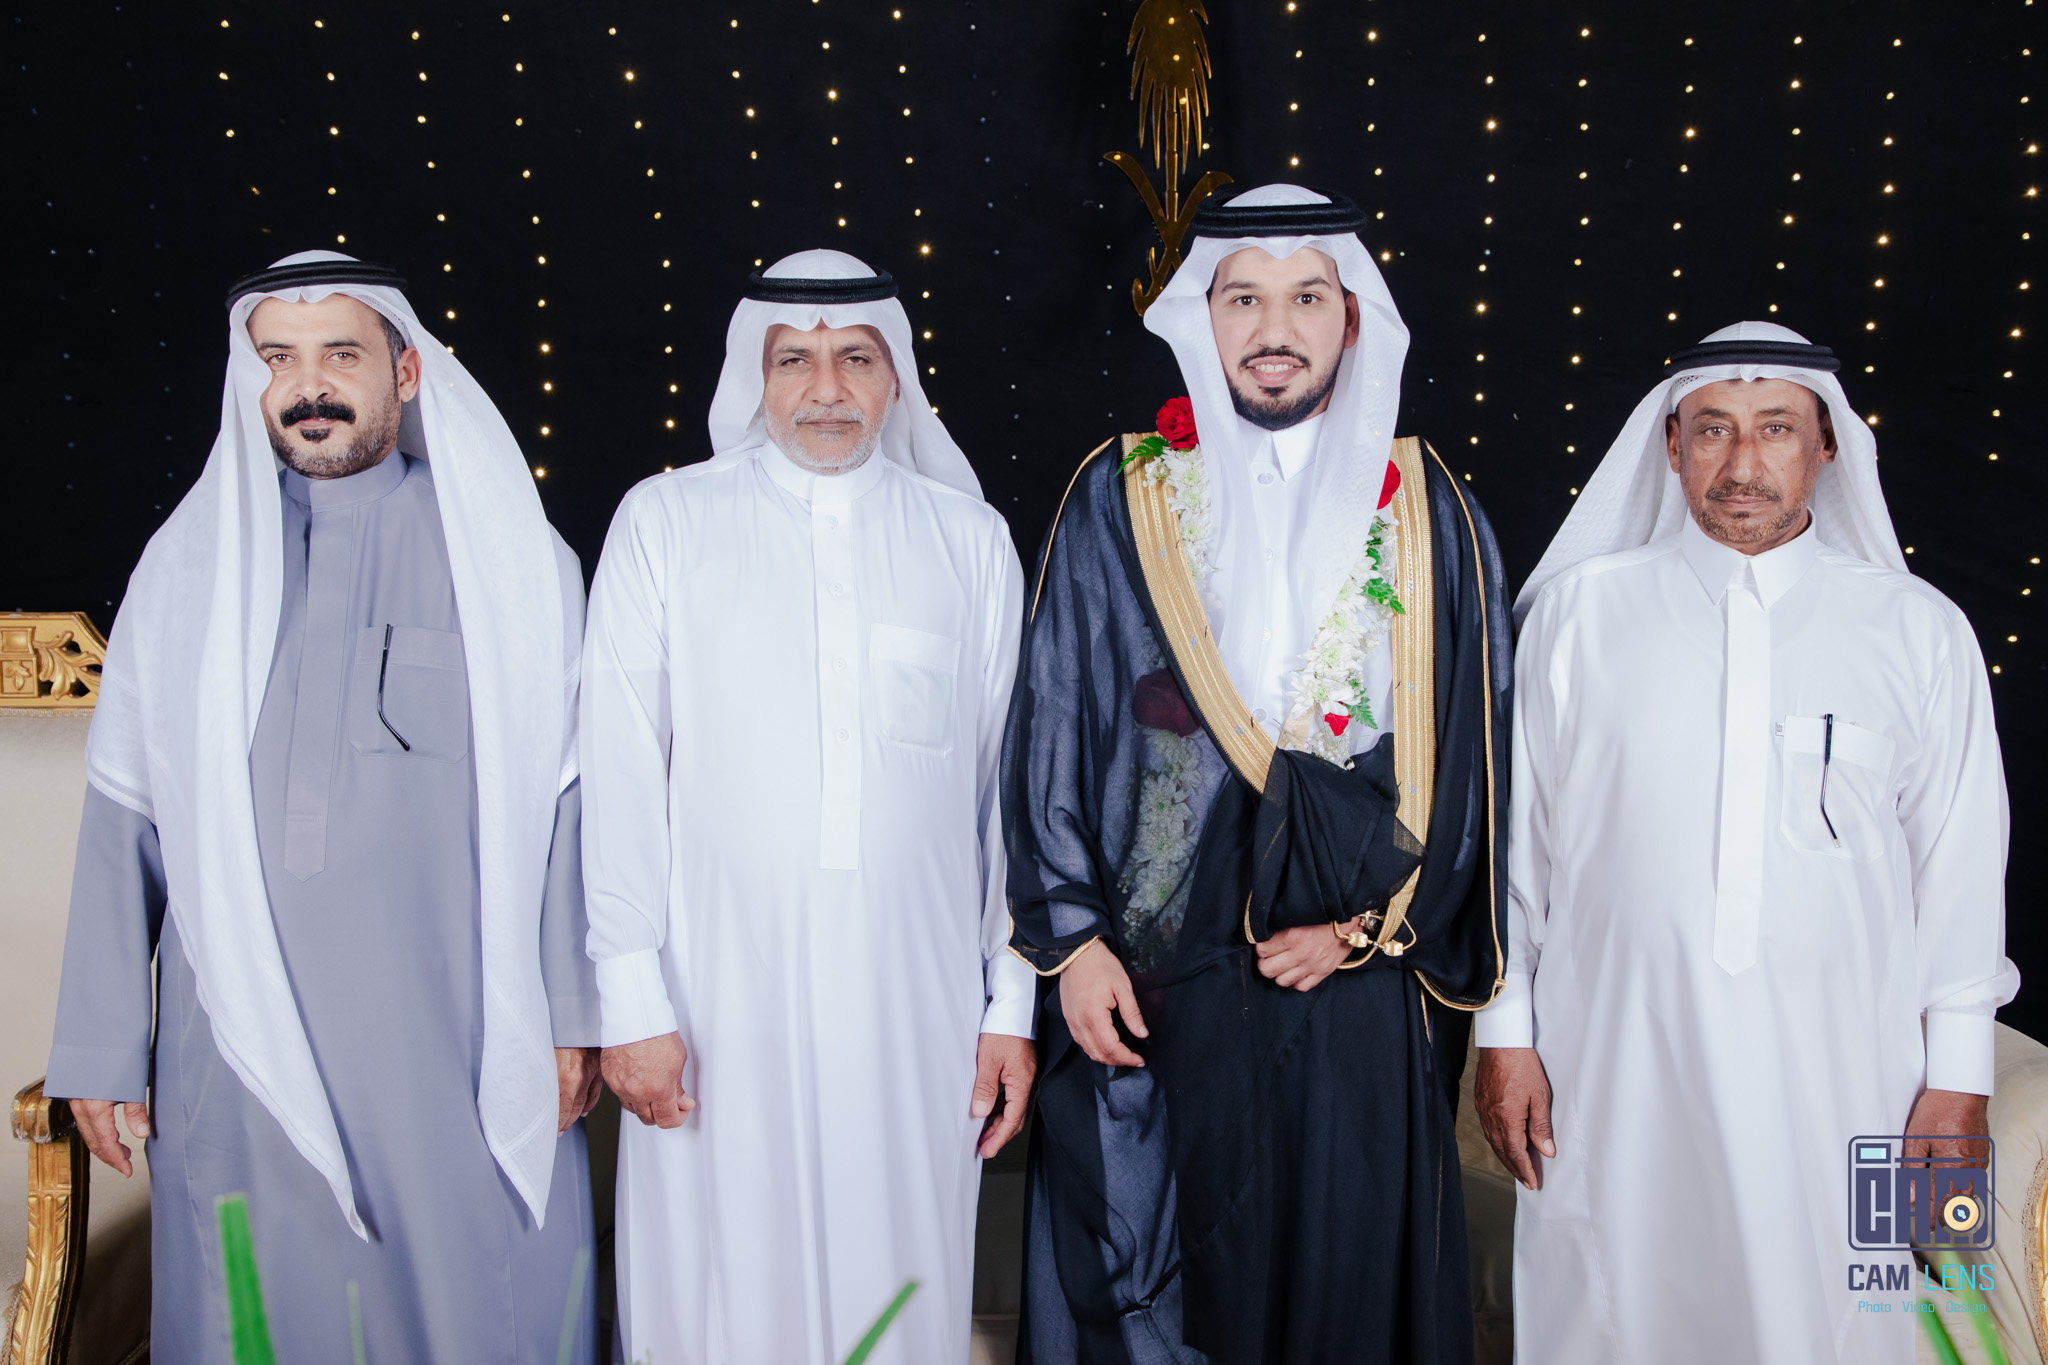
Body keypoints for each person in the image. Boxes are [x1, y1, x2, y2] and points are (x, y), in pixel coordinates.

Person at [44, 252, 600, 1360]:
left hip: (457, 1042)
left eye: (340, 354)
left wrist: (573, 1015)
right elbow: (124, 822)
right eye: (278, 359)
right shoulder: (185, 570)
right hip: (239, 1057)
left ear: (406, 371)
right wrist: (99, 1049)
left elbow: (574, 805)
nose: (308, 386)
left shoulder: (508, 560)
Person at [1005, 183, 1510, 1364]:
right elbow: (1055, 719)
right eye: (1241, 299)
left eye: (1304, 299)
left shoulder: (1428, 509)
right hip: (1154, 976)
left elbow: (1473, 755)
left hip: (1349, 975)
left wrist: (1366, 929)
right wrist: (1072, 943)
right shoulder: (1121, 493)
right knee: (1162, 1276)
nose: (1271, 328)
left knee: (1343, 1277)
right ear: (1201, 315)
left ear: (1350, 318)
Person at [1476, 321, 2017, 1364]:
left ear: (1825, 446)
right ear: (1671, 445)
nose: (1741, 462)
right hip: (1613, 1067)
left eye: (1774, 428)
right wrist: (1503, 1038)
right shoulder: (1579, 614)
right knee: (1609, 1313)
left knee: (1865, 1318)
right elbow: (1516, 850)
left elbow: (1958, 871)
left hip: (1854, 1080)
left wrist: (1958, 1083)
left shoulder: (1918, 630)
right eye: (1713, 429)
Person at [581, 249, 1036, 1364]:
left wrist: (1011, 1004)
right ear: (756, 375)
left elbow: (1007, 793)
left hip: (918, 1001)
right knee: (719, 1285)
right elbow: (619, 768)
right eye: (794, 361)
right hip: (711, 993)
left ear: (895, 378)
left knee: (901, 1270)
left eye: (855, 360)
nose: (825, 389)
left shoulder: (968, 540)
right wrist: (630, 1000)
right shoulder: (665, 522)